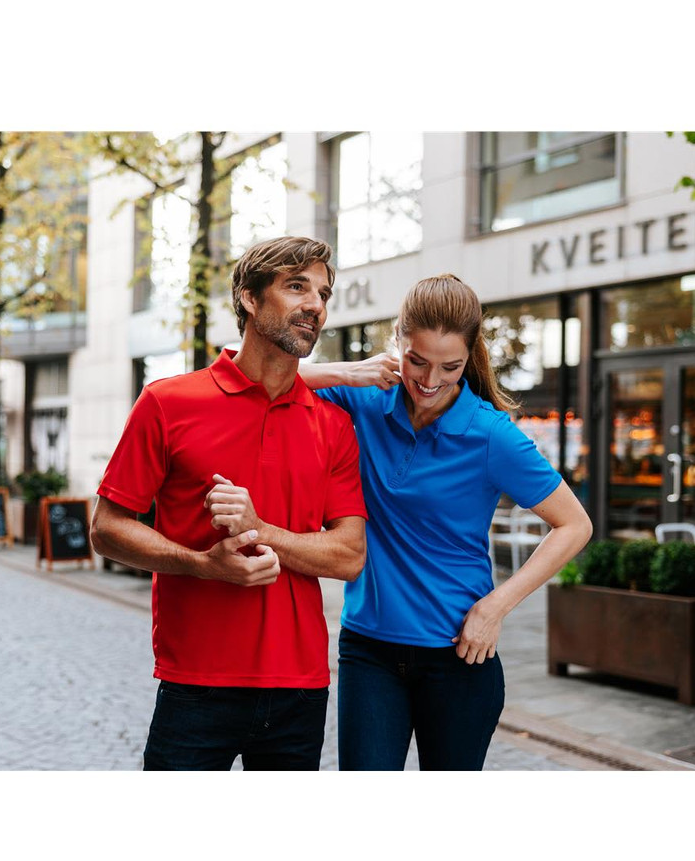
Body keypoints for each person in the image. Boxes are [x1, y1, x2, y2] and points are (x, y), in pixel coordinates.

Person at [90, 236, 367, 771]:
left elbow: (349, 555)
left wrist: (261, 529)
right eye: (296, 287)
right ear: (248, 297)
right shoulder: (168, 403)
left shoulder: (332, 425)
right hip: (195, 684)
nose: (316, 304)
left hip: (299, 686)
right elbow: (107, 528)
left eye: (323, 293)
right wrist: (202, 565)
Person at [299, 274, 592, 770]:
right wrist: (350, 371)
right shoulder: (367, 401)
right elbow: (264, 376)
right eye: (417, 360)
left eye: (450, 366)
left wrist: (495, 607)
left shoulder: (491, 435)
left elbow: (575, 525)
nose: (430, 380)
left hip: (458, 657)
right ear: (397, 340)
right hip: (368, 649)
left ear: (469, 356)